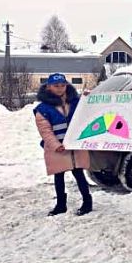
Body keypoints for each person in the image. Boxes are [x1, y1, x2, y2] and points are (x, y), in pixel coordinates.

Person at [33, 72, 93, 216]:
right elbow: (45, 131)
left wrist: (89, 98)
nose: (60, 88)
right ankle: (61, 205)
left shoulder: (76, 102)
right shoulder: (43, 109)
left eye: (62, 85)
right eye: (56, 86)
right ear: (48, 87)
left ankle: (87, 202)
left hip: (74, 146)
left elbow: (92, 110)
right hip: (57, 148)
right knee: (59, 175)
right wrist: (55, 145)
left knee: (79, 173)